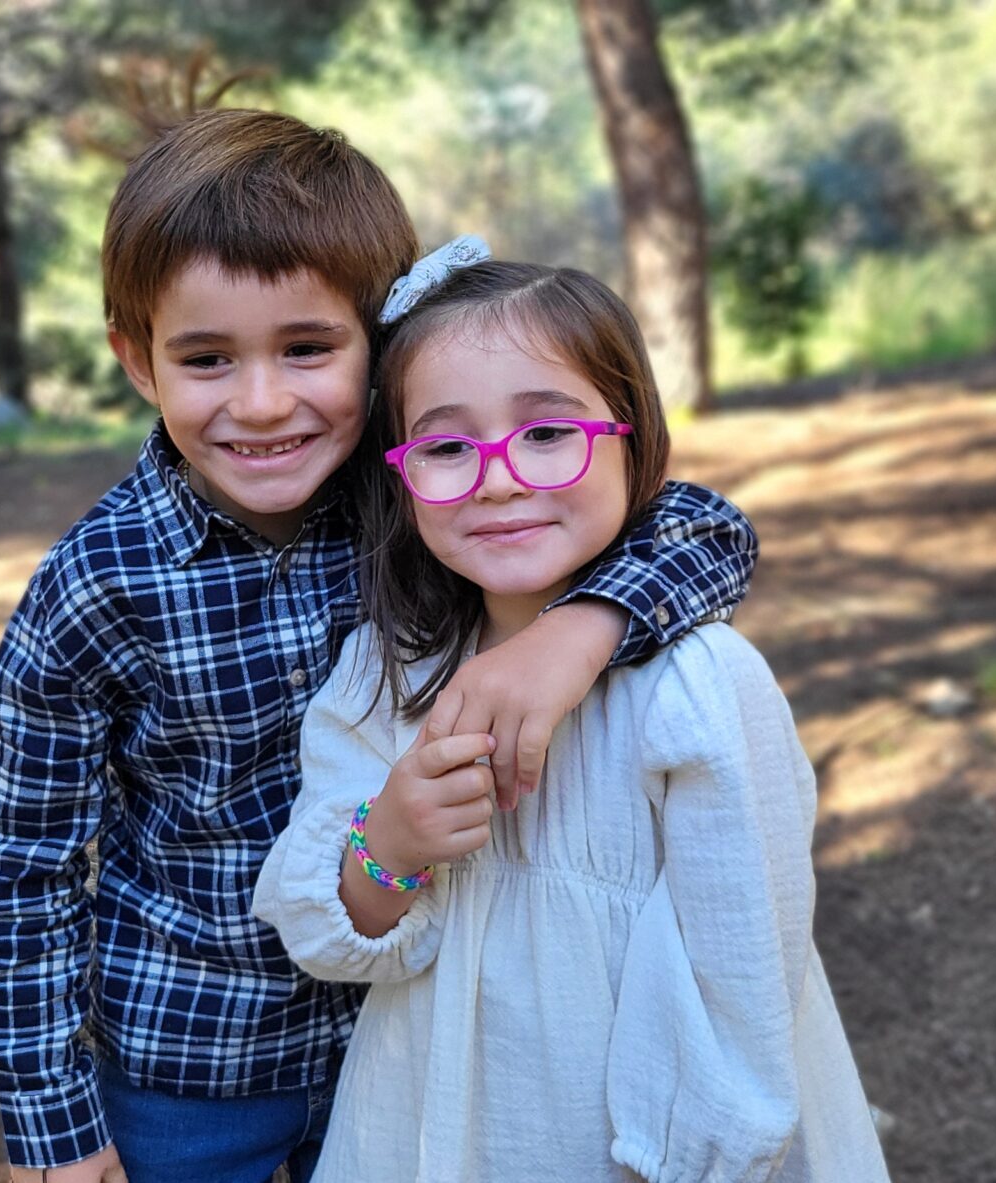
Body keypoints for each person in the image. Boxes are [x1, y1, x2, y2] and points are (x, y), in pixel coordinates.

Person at [0, 111, 761, 1183]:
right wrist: (51, 1123)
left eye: (307, 349)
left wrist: (579, 630)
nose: (262, 404)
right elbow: (24, 868)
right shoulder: (95, 586)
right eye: (206, 359)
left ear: (380, 343)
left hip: (410, 1032)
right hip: (194, 1063)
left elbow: (703, 526)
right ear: (138, 360)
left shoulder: (427, 488)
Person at [253, 255, 888, 1182]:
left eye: (549, 432)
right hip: (422, 1128)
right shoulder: (382, 676)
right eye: (445, 447)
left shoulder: (697, 686)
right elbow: (330, 939)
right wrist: (389, 840)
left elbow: (740, 979)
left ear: (636, 440)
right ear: (400, 477)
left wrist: (690, 1160)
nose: (498, 479)